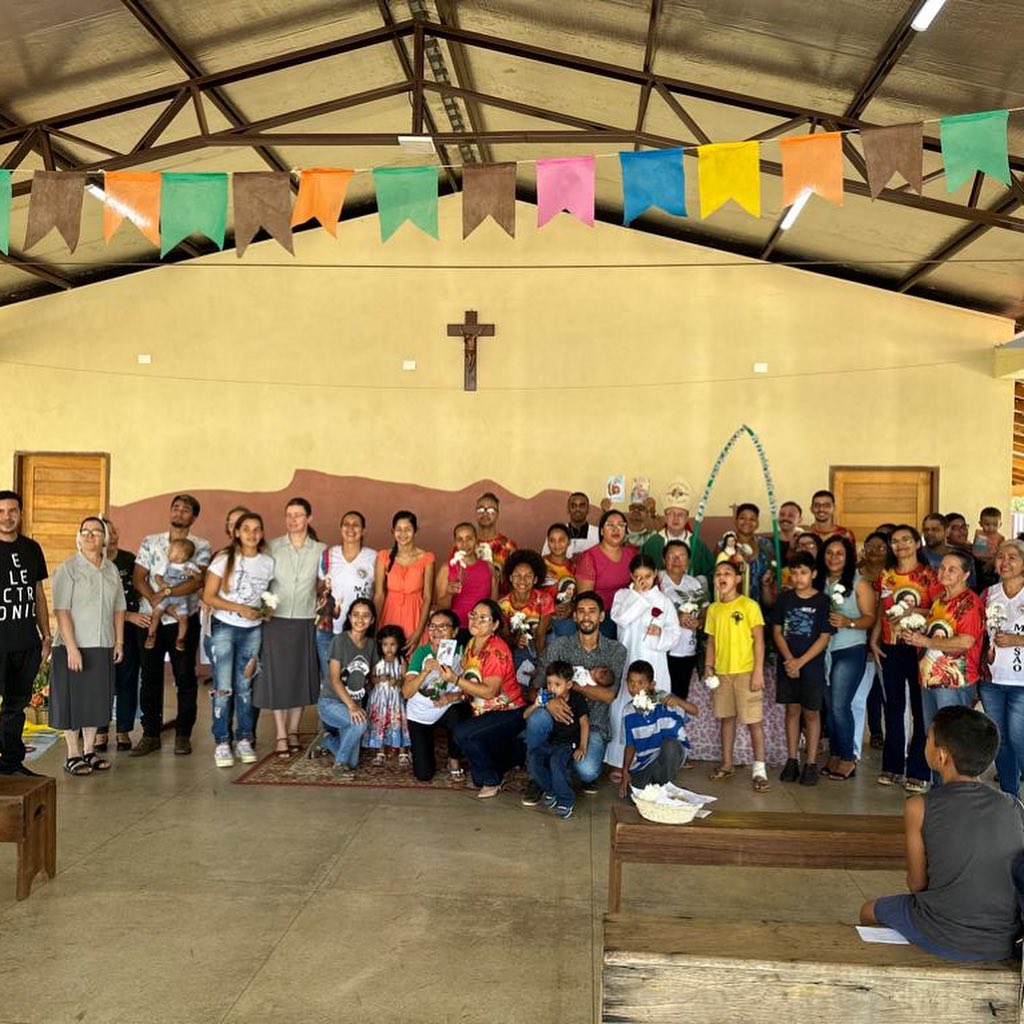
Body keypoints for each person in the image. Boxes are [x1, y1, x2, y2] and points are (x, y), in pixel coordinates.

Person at [860, 706, 1024, 962]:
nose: (925, 743)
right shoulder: (1013, 804)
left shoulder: (918, 806)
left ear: (942, 755)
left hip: (945, 934)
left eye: (928, 738)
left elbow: (917, 884)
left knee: (868, 911)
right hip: (1004, 939)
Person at [524, 591, 627, 804]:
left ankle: (562, 768)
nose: (586, 616)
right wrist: (549, 701)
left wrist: (572, 685)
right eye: (581, 611)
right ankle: (537, 777)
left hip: (593, 724)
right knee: (536, 719)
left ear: (601, 616)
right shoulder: (559, 646)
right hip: (557, 720)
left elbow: (609, 695)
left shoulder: (615, 650)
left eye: (592, 611)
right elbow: (534, 688)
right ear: (574, 616)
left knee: (587, 770)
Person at [132, 494, 211, 757]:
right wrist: (157, 600)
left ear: (194, 517)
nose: (179, 512)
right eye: (175, 508)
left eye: (186, 510)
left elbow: (197, 581)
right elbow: (139, 577)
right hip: (150, 618)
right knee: (150, 677)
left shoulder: (201, 545)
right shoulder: (150, 541)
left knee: (185, 677)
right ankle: (150, 734)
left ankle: (183, 735)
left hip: (183, 620)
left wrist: (165, 593)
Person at [900, 549, 985, 791]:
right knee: (936, 739)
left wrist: (925, 641)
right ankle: (941, 791)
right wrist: (916, 633)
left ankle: (953, 793)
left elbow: (965, 642)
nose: (944, 573)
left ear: (965, 574)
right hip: (930, 679)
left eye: (952, 569)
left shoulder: (970, 603)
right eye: (942, 568)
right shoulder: (939, 600)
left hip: (953, 681)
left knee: (952, 739)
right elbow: (937, 633)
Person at [50, 517, 126, 776]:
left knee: (95, 699)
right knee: (71, 701)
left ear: (105, 538)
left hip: (102, 643)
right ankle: (72, 753)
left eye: (96, 531)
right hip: (73, 645)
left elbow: (119, 608)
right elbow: (61, 610)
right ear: (78, 536)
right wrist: (72, 648)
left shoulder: (111, 570)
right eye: (85, 531)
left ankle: (89, 750)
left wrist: (119, 641)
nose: (90, 535)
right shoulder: (68, 568)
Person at [869, 524, 941, 790]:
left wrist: (913, 611)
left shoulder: (929, 575)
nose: (900, 545)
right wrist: (874, 638)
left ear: (917, 543)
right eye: (895, 541)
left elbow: (938, 610)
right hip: (891, 646)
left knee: (921, 711)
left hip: (920, 648)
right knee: (893, 708)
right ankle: (892, 766)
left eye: (906, 540)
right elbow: (882, 608)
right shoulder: (886, 575)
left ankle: (919, 770)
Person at [202, 512, 275, 768]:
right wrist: (239, 608)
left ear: (262, 533)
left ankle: (245, 738)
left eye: (257, 529)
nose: (252, 534)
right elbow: (209, 596)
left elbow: (267, 595)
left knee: (245, 686)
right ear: (236, 532)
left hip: (252, 630)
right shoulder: (224, 559)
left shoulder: (267, 563)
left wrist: (266, 610)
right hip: (225, 627)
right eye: (246, 529)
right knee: (223, 687)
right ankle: (222, 740)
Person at [256, 498, 325, 758]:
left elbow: (324, 584)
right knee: (278, 677)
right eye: (289, 515)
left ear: (309, 518)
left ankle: (294, 730)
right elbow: (260, 582)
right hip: (276, 620)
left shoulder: (321, 550)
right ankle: (281, 734)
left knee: (299, 677)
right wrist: (263, 608)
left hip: (306, 619)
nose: (293, 520)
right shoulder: (272, 547)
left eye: (298, 515)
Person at [605, 554, 682, 772]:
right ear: (631, 575)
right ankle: (620, 762)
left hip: (654, 660)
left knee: (654, 708)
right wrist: (637, 596)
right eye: (638, 577)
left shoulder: (664, 601)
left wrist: (660, 633)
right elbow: (620, 619)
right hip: (628, 658)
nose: (643, 581)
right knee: (623, 707)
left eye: (647, 576)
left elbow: (674, 634)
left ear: (655, 574)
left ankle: (652, 761)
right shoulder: (623, 595)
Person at [447, 599, 525, 799]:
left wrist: (455, 679)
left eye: (483, 618)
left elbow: (490, 692)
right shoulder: (472, 643)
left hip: (508, 710)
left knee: (463, 733)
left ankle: (493, 780)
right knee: (476, 778)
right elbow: (470, 677)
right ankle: (510, 757)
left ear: (495, 625)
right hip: (482, 710)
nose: (476, 621)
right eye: (473, 615)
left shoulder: (496, 651)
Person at [704, 559, 770, 792]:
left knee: (753, 721)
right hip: (723, 673)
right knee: (726, 718)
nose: (722, 577)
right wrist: (709, 666)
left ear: (738, 579)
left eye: (728, 573)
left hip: (746, 672)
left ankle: (759, 770)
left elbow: (759, 641)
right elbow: (711, 641)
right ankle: (727, 763)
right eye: (718, 574)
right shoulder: (714, 609)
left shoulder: (749, 605)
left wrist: (758, 671)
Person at [772, 552, 834, 786]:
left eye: (804, 572)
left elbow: (824, 637)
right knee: (792, 711)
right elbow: (777, 631)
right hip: (788, 665)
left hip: (811, 666)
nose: (798, 577)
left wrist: (800, 662)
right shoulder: (784, 599)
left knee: (811, 713)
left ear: (814, 574)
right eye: (794, 573)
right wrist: (790, 660)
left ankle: (811, 762)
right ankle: (792, 760)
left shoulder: (822, 601)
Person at [0, 491, 50, 777]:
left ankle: (11, 763)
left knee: (16, 706)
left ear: (20, 513)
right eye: (1, 511)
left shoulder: (32, 548)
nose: (7, 517)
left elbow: (38, 594)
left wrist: (46, 635)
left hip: (25, 642)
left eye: (12, 511)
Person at [820, 536, 876, 781]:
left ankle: (847, 757)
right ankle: (835, 752)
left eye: (839, 553)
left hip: (850, 649)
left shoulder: (859, 583)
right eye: (829, 552)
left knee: (840, 705)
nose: (834, 558)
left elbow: (870, 617)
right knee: (829, 707)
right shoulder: (818, 581)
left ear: (848, 557)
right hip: (824, 651)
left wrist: (848, 622)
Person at [95, 519, 146, 753]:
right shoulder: (94, 564)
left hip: (129, 632)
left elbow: (139, 590)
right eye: (107, 533)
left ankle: (123, 729)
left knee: (127, 679)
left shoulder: (128, 560)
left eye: (114, 532)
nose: (113, 537)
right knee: (101, 681)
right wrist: (129, 616)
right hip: (100, 631)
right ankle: (100, 730)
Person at [402, 609, 470, 782]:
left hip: (446, 708)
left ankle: (454, 759)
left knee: (460, 713)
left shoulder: (462, 652)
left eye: (443, 627)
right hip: (420, 713)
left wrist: (452, 697)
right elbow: (406, 692)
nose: (436, 631)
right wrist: (424, 672)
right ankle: (419, 747)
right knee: (424, 774)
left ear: (454, 631)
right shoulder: (421, 652)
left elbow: (471, 687)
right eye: (432, 626)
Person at [618, 659, 698, 797]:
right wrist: (625, 771)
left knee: (670, 745)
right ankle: (665, 789)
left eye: (640, 683)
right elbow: (630, 745)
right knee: (634, 794)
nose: (635, 688)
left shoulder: (664, 699)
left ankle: (667, 788)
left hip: (669, 755)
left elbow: (694, 710)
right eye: (631, 682)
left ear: (651, 685)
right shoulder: (628, 711)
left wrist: (677, 701)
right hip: (647, 763)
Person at [983, 539, 1024, 796]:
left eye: (1012, 557)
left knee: (1020, 740)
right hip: (992, 682)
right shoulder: (988, 594)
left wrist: (1017, 640)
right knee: (1000, 741)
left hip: (1021, 683)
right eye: (1000, 556)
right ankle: (1011, 799)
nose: (1005, 562)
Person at [524, 660, 590, 820]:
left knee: (556, 762)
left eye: (557, 684)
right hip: (551, 742)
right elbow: (525, 715)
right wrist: (537, 704)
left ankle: (566, 800)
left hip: (568, 744)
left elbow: (584, 723)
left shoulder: (577, 699)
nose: (551, 688)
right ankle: (551, 789)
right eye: (549, 683)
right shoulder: (547, 697)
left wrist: (582, 746)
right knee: (534, 758)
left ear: (569, 685)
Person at [319, 598, 376, 780]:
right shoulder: (339, 641)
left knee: (353, 762)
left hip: (353, 705)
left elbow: (371, 677)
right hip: (331, 702)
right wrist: (352, 706)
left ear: (372, 620)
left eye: (365, 615)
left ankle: (326, 739)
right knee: (360, 723)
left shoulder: (371, 644)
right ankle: (339, 765)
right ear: (349, 617)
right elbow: (335, 679)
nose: (360, 619)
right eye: (356, 615)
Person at [317, 510, 376, 679]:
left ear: (363, 530)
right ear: (340, 528)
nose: (350, 528)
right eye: (346, 524)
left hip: (359, 630)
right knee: (330, 680)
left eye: (356, 525)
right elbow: (319, 587)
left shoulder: (373, 557)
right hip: (328, 630)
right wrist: (325, 591)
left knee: (354, 681)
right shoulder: (328, 555)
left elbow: (379, 592)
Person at [374, 510, 434, 657]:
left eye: (408, 529)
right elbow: (379, 595)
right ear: (392, 531)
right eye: (398, 529)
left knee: (414, 660)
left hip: (416, 615)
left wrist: (419, 631)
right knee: (389, 659)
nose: (403, 534)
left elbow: (427, 597)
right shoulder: (384, 556)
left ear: (416, 530)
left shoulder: (427, 558)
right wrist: (375, 626)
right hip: (390, 614)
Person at [658, 540, 708, 701]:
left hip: (687, 648)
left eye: (681, 556)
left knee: (680, 695)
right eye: (672, 555)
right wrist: (676, 618)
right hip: (663, 649)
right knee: (661, 693)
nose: (676, 560)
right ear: (664, 559)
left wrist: (699, 622)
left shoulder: (693, 583)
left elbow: (705, 608)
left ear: (688, 561)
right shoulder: (657, 580)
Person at [854, 529, 890, 754]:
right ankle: (860, 744)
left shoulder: (893, 575)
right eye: (870, 547)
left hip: (888, 641)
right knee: (859, 697)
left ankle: (893, 741)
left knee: (888, 695)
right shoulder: (854, 574)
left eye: (881, 547)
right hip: (859, 639)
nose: (875, 551)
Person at [575, 510, 637, 638]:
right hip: (602, 616)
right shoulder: (589, 557)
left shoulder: (631, 553)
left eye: (620, 525)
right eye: (610, 525)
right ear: (602, 531)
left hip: (626, 611)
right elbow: (585, 599)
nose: (616, 529)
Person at [499, 549, 553, 675]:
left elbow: (541, 635)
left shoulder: (544, 600)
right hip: (520, 646)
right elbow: (506, 637)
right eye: (517, 575)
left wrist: (541, 666)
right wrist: (515, 640)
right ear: (511, 578)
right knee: (519, 670)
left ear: (535, 579)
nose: (522, 580)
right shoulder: (502, 605)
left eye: (528, 576)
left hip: (545, 642)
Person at [434, 522, 496, 630]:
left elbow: (494, 604)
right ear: (455, 542)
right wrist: (449, 593)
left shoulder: (489, 567)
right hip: (455, 629)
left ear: (476, 540)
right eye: (460, 540)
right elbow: (441, 608)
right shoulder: (446, 568)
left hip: (482, 630)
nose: (465, 544)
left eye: (469, 539)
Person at [363, 624, 410, 766]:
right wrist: (378, 679)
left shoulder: (401, 661)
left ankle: (403, 751)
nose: (389, 648)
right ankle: (380, 751)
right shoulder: (377, 660)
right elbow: (371, 679)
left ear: (399, 644)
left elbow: (406, 680)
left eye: (392, 644)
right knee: (379, 723)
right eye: (385, 645)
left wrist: (398, 682)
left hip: (396, 699)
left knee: (398, 723)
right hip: (379, 699)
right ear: (380, 645)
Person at [141, 539, 198, 653]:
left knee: (184, 619)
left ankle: (180, 639)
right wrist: (162, 583)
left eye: (171, 550)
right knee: (156, 613)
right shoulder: (167, 565)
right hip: (166, 597)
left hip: (181, 598)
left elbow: (199, 579)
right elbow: (157, 576)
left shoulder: (190, 566)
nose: (168, 552)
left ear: (182, 554)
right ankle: (151, 634)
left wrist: (194, 574)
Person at [719, 503, 775, 605]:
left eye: (752, 519)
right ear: (735, 521)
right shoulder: (723, 545)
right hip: (731, 605)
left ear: (757, 524)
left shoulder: (766, 545)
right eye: (742, 518)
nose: (747, 522)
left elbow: (771, 572)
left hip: (760, 606)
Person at [642, 479, 695, 569]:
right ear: (665, 517)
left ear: (687, 519)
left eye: (680, 515)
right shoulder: (652, 543)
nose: (676, 518)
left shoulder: (697, 544)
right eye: (671, 514)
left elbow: (710, 572)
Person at [541, 523, 578, 638]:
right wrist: (551, 609)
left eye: (561, 540)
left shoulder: (574, 567)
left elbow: (579, 594)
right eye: (552, 540)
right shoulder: (540, 564)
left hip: (566, 620)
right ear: (548, 542)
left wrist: (571, 608)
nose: (557, 545)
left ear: (569, 542)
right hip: (542, 617)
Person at [473, 492, 517, 577]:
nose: (485, 513)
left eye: (491, 510)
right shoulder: (465, 543)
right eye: (481, 510)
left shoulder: (509, 546)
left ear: (497, 514)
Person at [542, 492, 598, 557]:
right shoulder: (556, 533)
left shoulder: (597, 534)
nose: (577, 509)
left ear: (588, 509)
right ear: (568, 509)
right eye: (573, 506)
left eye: (582, 506)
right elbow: (545, 558)